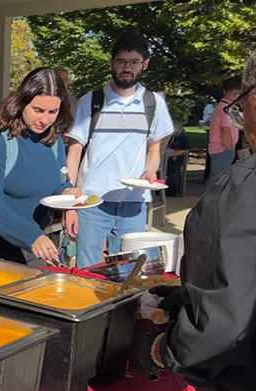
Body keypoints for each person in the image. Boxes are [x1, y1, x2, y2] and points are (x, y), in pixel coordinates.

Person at [135, 33, 256, 391]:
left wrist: (163, 350)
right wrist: (182, 297)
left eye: (242, 108)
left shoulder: (253, 180)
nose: (244, 123)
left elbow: (221, 326)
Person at [64, 31, 174, 267]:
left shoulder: (153, 103)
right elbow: (74, 151)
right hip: (91, 202)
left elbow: (154, 150)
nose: (127, 67)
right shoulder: (90, 102)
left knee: (128, 273)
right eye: (122, 61)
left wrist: (149, 172)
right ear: (111, 62)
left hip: (134, 204)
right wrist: (70, 203)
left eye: (134, 62)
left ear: (144, 64)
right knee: (88, 272)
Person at [0, 68, 80, 265]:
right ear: (22, 102)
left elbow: (59, 184)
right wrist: (32, 236)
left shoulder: (53, 142)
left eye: (52, 112)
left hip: (33, 246)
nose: (45, 120)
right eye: (38, 110)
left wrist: (70, 199)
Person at [206, 75, 242, 186]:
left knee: (218, 176)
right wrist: (230, 148)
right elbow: (225, 131)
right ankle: (208, 200)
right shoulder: (224, 109)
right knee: (218, 178)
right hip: (223, 149)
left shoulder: (223, 107)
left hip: (221, 148)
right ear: (235, 94)